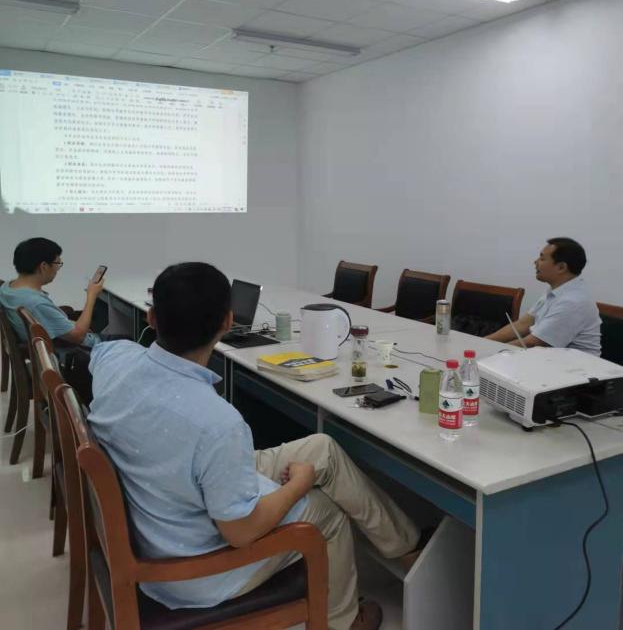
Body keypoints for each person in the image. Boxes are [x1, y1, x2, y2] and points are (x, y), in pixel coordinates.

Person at [88, 263, 425, 630]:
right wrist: (299, 484)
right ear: (227, 322)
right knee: (327, 513)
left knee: (323, 448)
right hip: (189, 571)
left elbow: (97, 353)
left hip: (168, 494)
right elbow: (242, 532)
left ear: (151, 317)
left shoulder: (114, 359)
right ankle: (343, 622)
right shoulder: (217, 422)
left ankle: (405, 547)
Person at [486, 237, 601, 355]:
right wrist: (482, 342)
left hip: (574, 365)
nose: (535, 262)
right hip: (548, 359)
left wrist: (488, 352)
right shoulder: (557, 291)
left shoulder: (574, 301)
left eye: (542, 258)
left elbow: (534, 343)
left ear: (561, 267)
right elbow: (522, 325)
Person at [0, 237, 104, 348]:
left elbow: (46, 318)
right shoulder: (35, 303)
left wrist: (69, 323)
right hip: (84, 347)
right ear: (44, 266)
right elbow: (78, 336)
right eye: (57, 263)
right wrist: (91, 296)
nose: (57, 269)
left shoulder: (7, 288)